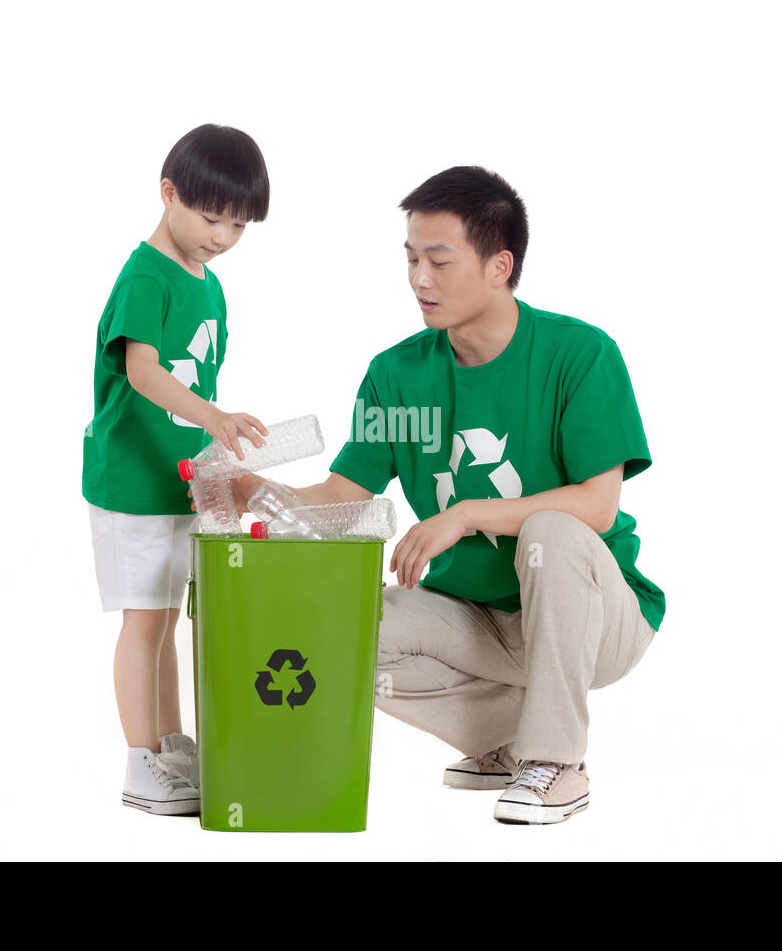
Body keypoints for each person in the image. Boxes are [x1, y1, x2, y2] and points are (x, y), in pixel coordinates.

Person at [233, 165, 665, 825]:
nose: (419, 279)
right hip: (478, 621)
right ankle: (510, 744)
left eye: (439, 260)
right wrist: (261, 495)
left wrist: (463, 515)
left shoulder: (579, 355)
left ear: (499, 265)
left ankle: (558, 761)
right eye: (411, 259)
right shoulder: (396, 375)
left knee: (551, 531)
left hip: (595, 617)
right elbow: (344, 491)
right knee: (347, 629)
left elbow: (596, 507)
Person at [82, 124, 270, 816]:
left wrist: (215, 456)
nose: (222, 236)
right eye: (210, 217)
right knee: (143, 622)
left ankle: (168, 741)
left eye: (239, 225)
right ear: (169, 194)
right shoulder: (146, 276)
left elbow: (192, 386)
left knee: (165, 622)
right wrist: (215, 415)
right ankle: (140, 762)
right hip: (131, 484)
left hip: (174, 482)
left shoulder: (207, 283)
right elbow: (142, 371)